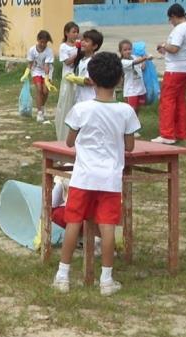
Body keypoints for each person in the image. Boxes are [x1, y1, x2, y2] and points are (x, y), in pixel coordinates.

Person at [53, 52, 139, 296]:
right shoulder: (126, 111)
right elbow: (130, 145)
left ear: (90, 77)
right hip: (110, 178)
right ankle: (106, 280)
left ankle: (62, 275)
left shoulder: (81, 109)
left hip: (83, 176)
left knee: (73, 223)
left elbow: (70, 142)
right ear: (120, 79)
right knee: (108, 227)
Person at [153, 4, 186, 145]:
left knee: (167, 100)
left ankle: (167, 134)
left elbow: (174, 48)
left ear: (174, 16)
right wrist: (165, 50)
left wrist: (163, 45)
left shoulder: (180, 29)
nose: (170, 22)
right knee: (180, 101)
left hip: (176, 69)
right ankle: (181, 132)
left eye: (170, 19)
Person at [54, 21, 81, 139]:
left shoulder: (79, 45)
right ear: (67, 33)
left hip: (78, 78)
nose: (76, 34)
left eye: (77, 32)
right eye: (73, 32)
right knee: (66, 102)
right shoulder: (63, 47)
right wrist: (78, 53)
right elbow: (67, 62)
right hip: (68, 78)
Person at [66, 29, 104, 104]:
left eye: (86, 41)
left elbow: (91, 81)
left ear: (95, 46)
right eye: (82, 40)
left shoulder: (94, 61)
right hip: (79, 99)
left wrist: (75, 79)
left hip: (90, 99)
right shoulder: (81, 60)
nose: (82, 42)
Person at [119, 39, 155, 114]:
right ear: (121, 52)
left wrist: (144, 61)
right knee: (131, 110)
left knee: (138, 109)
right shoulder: (123, 62)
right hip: (131, 91)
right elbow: (135, 62)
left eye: (129, 49)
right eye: (125, 50)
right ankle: (129, 125)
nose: (128, 51)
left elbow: (141, 67)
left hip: (140, 89)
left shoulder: (134, 56)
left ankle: (136, 124)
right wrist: (144, 58)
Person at [27, 30, 55, 123]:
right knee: (39, 89)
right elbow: (30, 63)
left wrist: (47, 79)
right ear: (38, 40)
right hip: (36, 71)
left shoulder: (49, 51)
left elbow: (47, 66)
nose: (43, 44)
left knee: (45, 91)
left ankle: (42, 107)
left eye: (45, 42)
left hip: (47, 71)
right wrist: (26, 73)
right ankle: (39, 113)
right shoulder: (32, 50)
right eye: (41, 42)